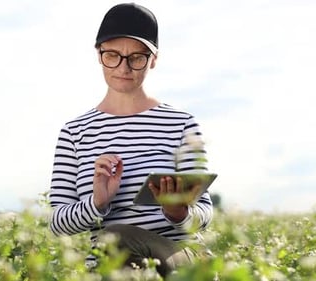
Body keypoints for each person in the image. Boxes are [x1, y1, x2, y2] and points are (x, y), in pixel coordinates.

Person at [48, 2, 213, 277]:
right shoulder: (74, 132)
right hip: (111, 267)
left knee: (116, 236)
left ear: (154, 59)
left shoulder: (181, 124)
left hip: (175, 259)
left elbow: (205, 215)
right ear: (98, 54)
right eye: (112, 55)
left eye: (136, 58)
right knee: (114, 240)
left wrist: (178, 213)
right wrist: (97, 203)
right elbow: (57, 223)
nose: (123, 67)